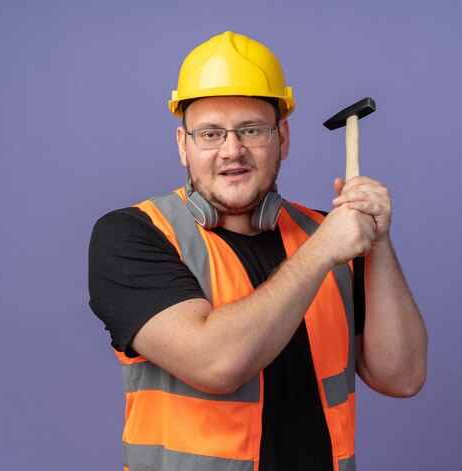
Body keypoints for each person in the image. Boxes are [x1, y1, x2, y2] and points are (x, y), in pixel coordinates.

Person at [89, 31, 427, 471]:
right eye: (210, 133)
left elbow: (401, 377)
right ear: (182, 145)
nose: (232, 150)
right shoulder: (134, 235)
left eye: (251, 129)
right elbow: (217, 363)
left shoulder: (331, 234)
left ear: (282, 138)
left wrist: (377, 241)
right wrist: (322, 249)